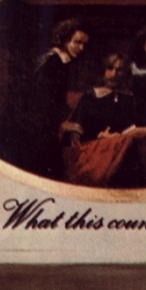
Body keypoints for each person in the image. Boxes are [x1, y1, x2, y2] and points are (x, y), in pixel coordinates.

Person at [26, 18, 89, 177]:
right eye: (77, 42)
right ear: (65, 39)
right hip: (37, 133)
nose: (81, 48)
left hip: (47, 131)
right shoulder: (52, 64)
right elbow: (41, 104)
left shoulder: (62, 64)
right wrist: (65, 125)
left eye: (84, 44)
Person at [66, 53, 137, 144]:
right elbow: (75, 132)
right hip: (94, 146)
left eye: (119, 70)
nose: (114, 74)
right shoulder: (90, 97)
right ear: (103, 70)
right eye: (110, 68)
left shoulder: (127, 98)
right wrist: (99, 137)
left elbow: (130, 128)